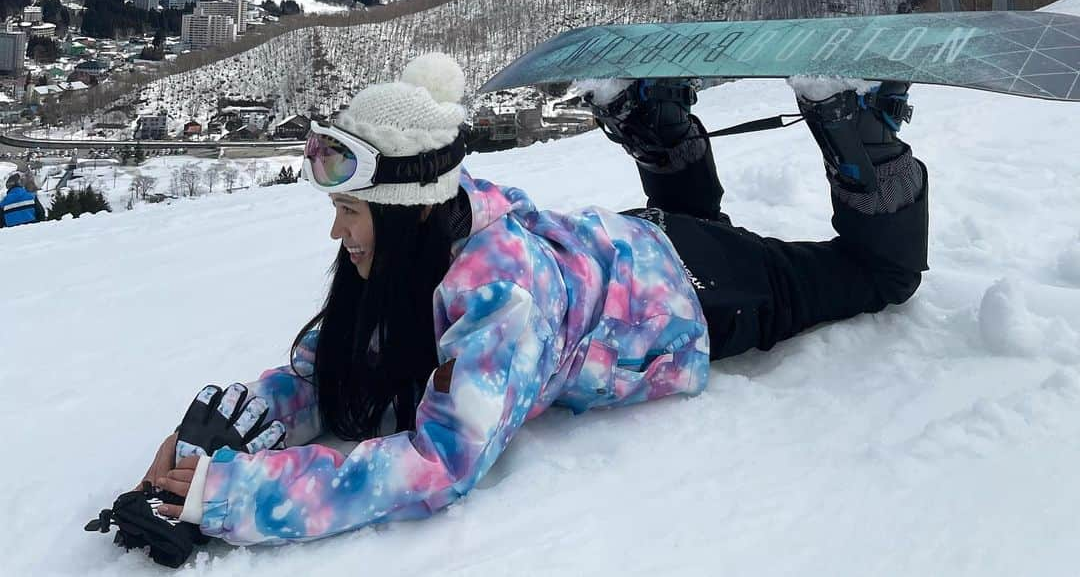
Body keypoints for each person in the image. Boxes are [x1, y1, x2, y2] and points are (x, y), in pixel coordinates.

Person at [138, 52, 928, 551]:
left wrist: (246, 497)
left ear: (408, 214)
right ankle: (653, 121)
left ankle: (858, 129)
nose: (338, 235)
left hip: (697, 293)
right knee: (699, 220)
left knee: (877, 277)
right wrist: (242, 424)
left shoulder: (498, 299)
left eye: (350, 213)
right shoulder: (430, 220)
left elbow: (439, 463)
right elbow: (330, 367)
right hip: (630, 247)